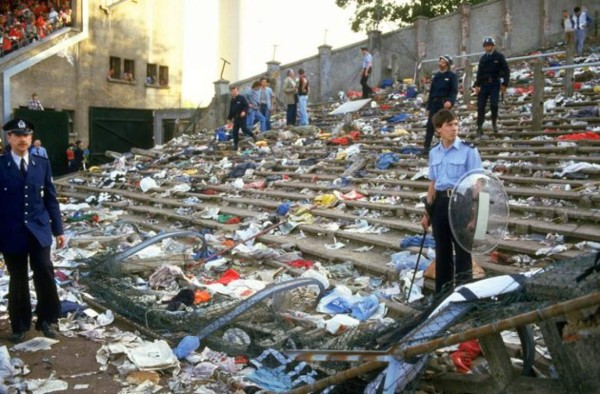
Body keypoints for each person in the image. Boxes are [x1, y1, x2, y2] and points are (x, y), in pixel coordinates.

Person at [0, 118, 65, 342]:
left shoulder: (41, 163)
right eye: (17, 135)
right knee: (18, 278)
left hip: (38, 230)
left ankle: (49, 320)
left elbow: (51, 199)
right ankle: (19, 325)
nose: (22, 139)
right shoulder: (1, 165)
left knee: (45, 271)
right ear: (9, 137)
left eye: (26, 135)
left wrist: (58, 230)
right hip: (10, 232)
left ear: (31, 138)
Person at [420, 109, 483, 294]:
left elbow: (477, 183)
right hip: (440, 203)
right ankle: (443, 296)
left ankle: (464, 296)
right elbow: (433, 183)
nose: (454, 128)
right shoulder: (434, 153)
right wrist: (427, 213)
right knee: (442, 251)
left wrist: (474, 215)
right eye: (449, 125)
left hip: (461, 202)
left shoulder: (469, 150)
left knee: (463, 252)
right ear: (439, 129)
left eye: (456, 124)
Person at [473, 37, 510, 136]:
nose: (487, 48)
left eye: (489, 45)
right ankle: (479, 127)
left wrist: (505, 83)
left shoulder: (499, 57)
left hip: (494, 83)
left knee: (494, 105)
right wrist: (477, 84)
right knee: (481, 106)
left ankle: (494, 123)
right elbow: (479, 73)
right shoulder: (483, 58)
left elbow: (506, 70)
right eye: (486, 46)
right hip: (484, 84)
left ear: (493, 46)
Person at [424, 55, 458, 155]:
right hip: (434, 102)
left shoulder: (452, 76)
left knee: (445, 126)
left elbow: (454, 91)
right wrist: (429, 107)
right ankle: (426, 147)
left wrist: (450, 101)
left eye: (443, 62)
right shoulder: (436, 76)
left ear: (447, 64)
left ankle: (447, 147)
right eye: (440, 62)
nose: (440, 64)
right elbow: (432, 92)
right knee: (430, 125)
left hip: (444, 103)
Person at [227, 85, 256, 151]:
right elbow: (231, 110)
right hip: (236, 118)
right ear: (231, 92)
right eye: (232, 91)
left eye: (235, 91)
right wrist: (229, 118)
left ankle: (253, 135)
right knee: (235, 132)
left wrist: (244, 112)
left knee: (244, 129)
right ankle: (235, 145)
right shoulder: (232, 100)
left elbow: (246, 106)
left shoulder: (241, 98)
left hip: (242, 117)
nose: (234, 92)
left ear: (237, 91)